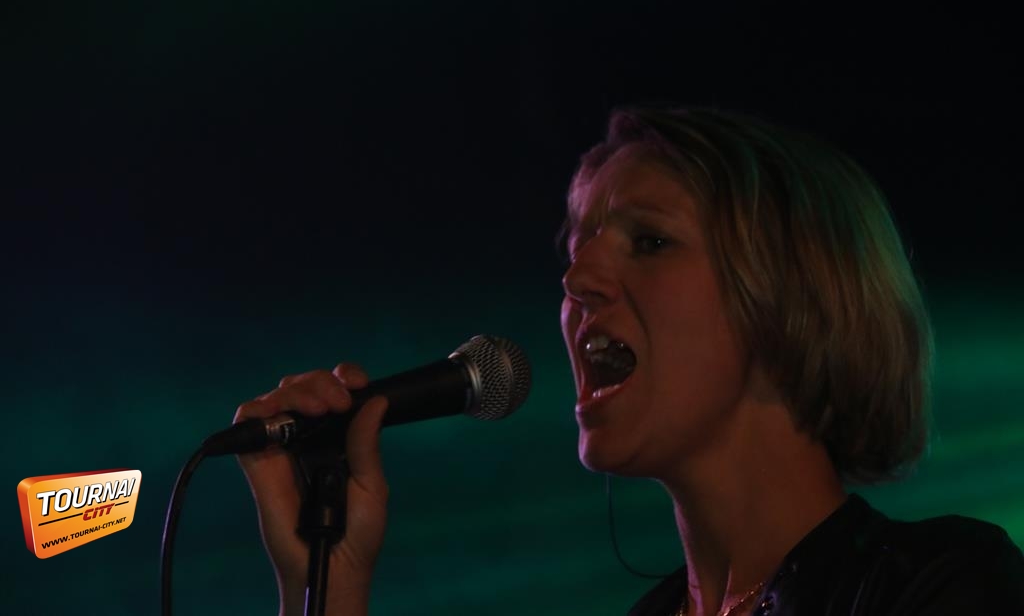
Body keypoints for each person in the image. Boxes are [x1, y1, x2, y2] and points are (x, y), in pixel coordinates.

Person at [234, 107, 1024, 615]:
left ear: (792, 301)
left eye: (649, 240)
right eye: (576, 251)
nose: (576, 279)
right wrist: (325, 588)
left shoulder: (944, 587)